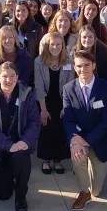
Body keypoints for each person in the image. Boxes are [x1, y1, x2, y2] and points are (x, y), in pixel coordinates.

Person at [0, 61, 40, 211]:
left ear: (17, 76)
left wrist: (25, 142)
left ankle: (21, 196)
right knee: (3, 195)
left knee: (22, 158)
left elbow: (34, 121)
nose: (8, 80)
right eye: (4, 76)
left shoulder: (27, 94)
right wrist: (8, 145)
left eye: (12, 76)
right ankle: (10, 178)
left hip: (19, 145)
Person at [62, 50, 107, 211]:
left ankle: (92, 182)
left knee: (97, 191)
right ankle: (83, 192)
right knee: (77, 154)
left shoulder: (106, 88)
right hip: (79, 138)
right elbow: (68, 118)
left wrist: (86, 141)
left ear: (93, 65)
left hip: (101, 141)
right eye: (79, 66)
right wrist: (74, 140)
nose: (83, 69)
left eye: (87, 65)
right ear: (74, 67)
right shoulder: (68, 89)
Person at [34, 32, 74, 175]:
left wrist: (65, 107)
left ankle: (57, 159)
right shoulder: (39, 61)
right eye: (52, 44)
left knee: (59, 128)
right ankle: (46, 159)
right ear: (47, 45)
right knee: (46, 127)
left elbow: (70, 86)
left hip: (62, 99)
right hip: (44, 99)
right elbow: (38, 85)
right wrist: (43, 110)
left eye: (58, 44)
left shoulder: (68, 61)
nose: (55, 47)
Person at [13, 1, 44, 66]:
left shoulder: (36, 27)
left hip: (31, 64)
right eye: (18, 11)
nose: (20, 13)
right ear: (14, 13)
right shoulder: (9, 27)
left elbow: (40, 47)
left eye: (23, 10)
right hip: (14, 64)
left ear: (28, 12)